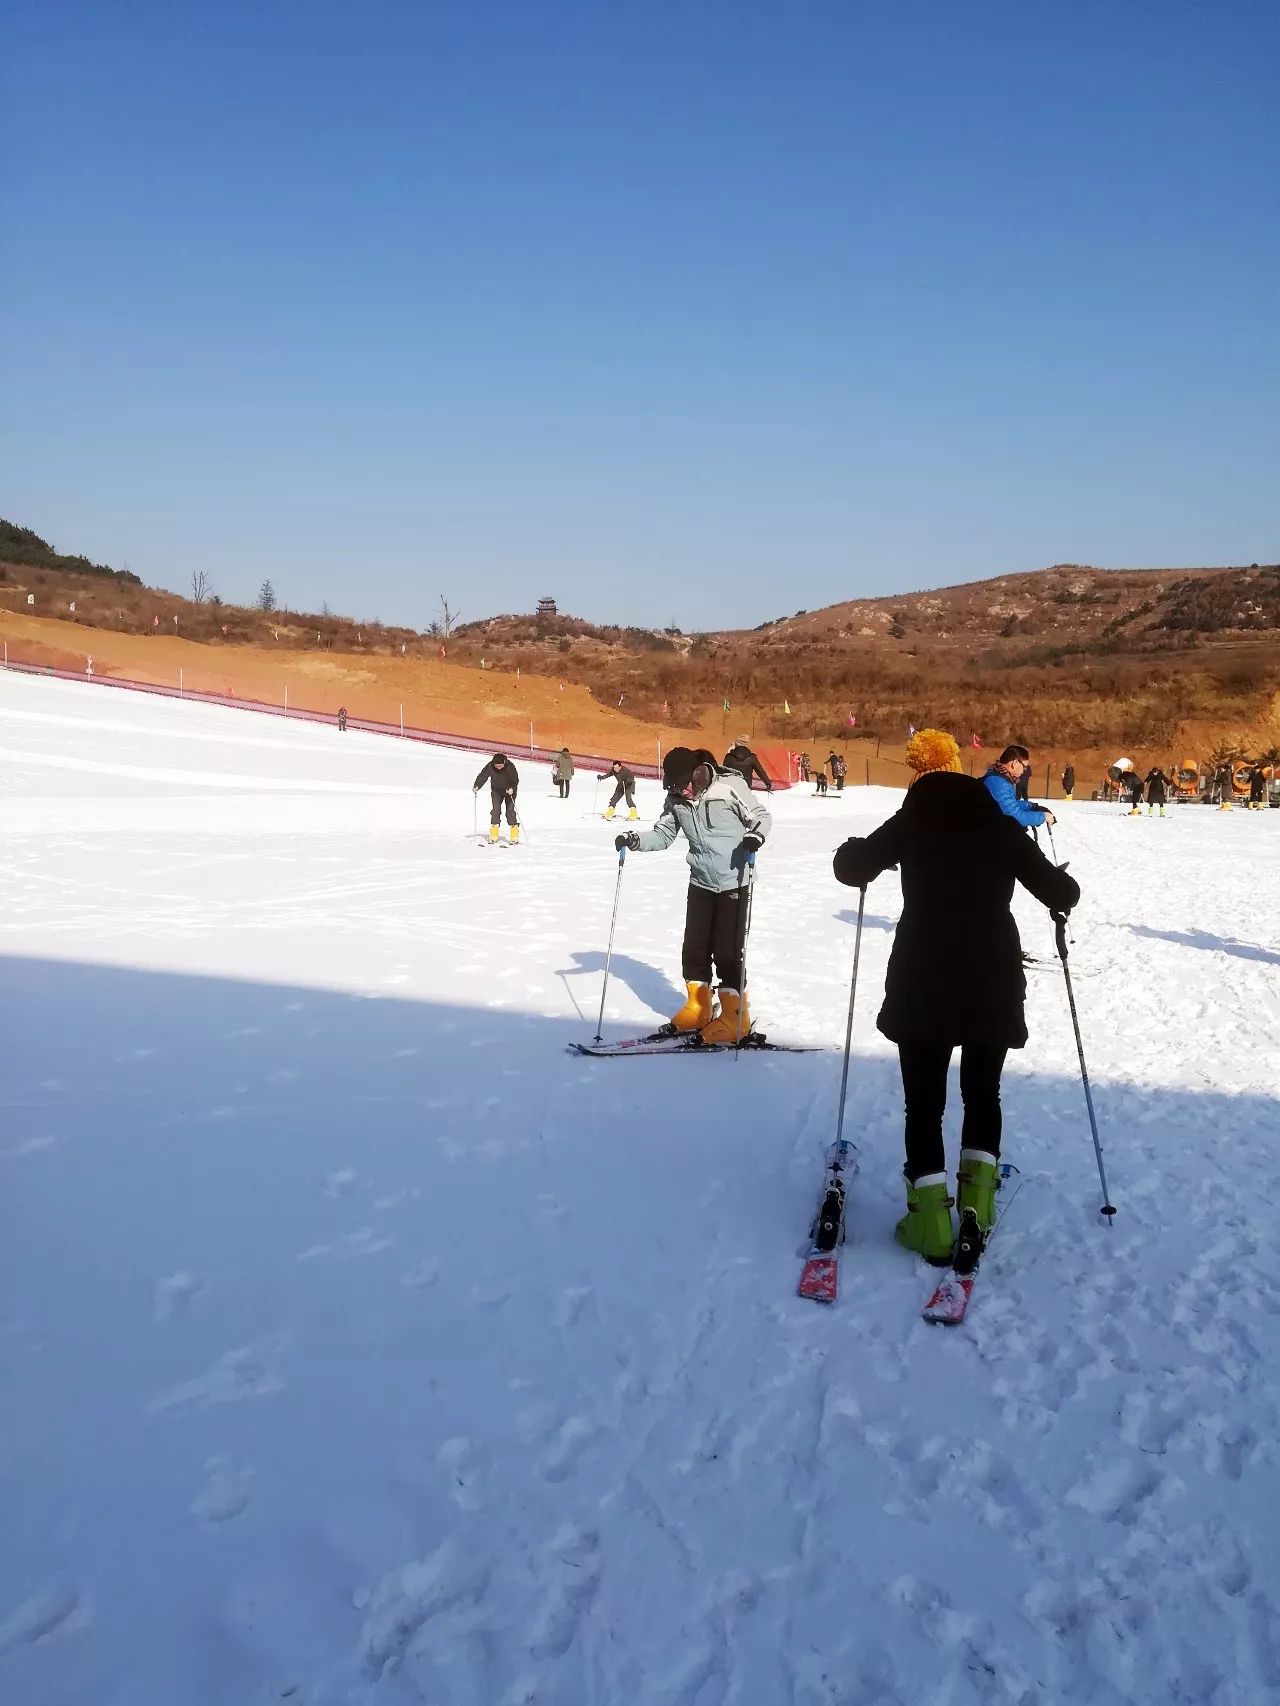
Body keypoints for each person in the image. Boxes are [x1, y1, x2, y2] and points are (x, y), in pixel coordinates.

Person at [832, 729, 1080, 1264]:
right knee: (983, 1094)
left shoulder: (912, 819)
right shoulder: (998, 822)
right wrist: (1062, 887)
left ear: (920, 779)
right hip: (991, 977)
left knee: (923, 1104)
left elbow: (851, 867)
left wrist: (853, 849)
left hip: (924, 976)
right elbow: (1062, 892)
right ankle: (978, 1206)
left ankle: (930, 1225)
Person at [615, 746, 771, 1045]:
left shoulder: (729, 787)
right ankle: (698, 1008)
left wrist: (755, 835)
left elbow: (760, 816)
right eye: (672, 787)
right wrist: (635, 840)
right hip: (700, 881)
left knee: (727, 953)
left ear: (698, 774)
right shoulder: (676, 800)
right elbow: (662, 835)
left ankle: (736, 1018)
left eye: (681, 785)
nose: (680, 792)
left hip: (734, 881)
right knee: (694, 950)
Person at [982, 745, 1055, 831]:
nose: (1024, 770)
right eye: (1024, 766)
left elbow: (1008, 805)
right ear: (1015, 763)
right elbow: (1013, 816)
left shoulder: (1000, 778)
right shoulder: (998, 783)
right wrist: (1043, 817)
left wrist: (1031, 807)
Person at [473, 752, 520, 843]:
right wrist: (477, 785)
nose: (498, 767)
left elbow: (515, 779)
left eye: (500, 766)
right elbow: (483, 775)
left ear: (504, 762)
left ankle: (514, 833)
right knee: (495, 810)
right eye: (496, 766)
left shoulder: (510, 766)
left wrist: (511, 788)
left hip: (509, 791)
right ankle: (494, 834)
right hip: (496, 791)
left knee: (510, 811)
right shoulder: (490, 766)